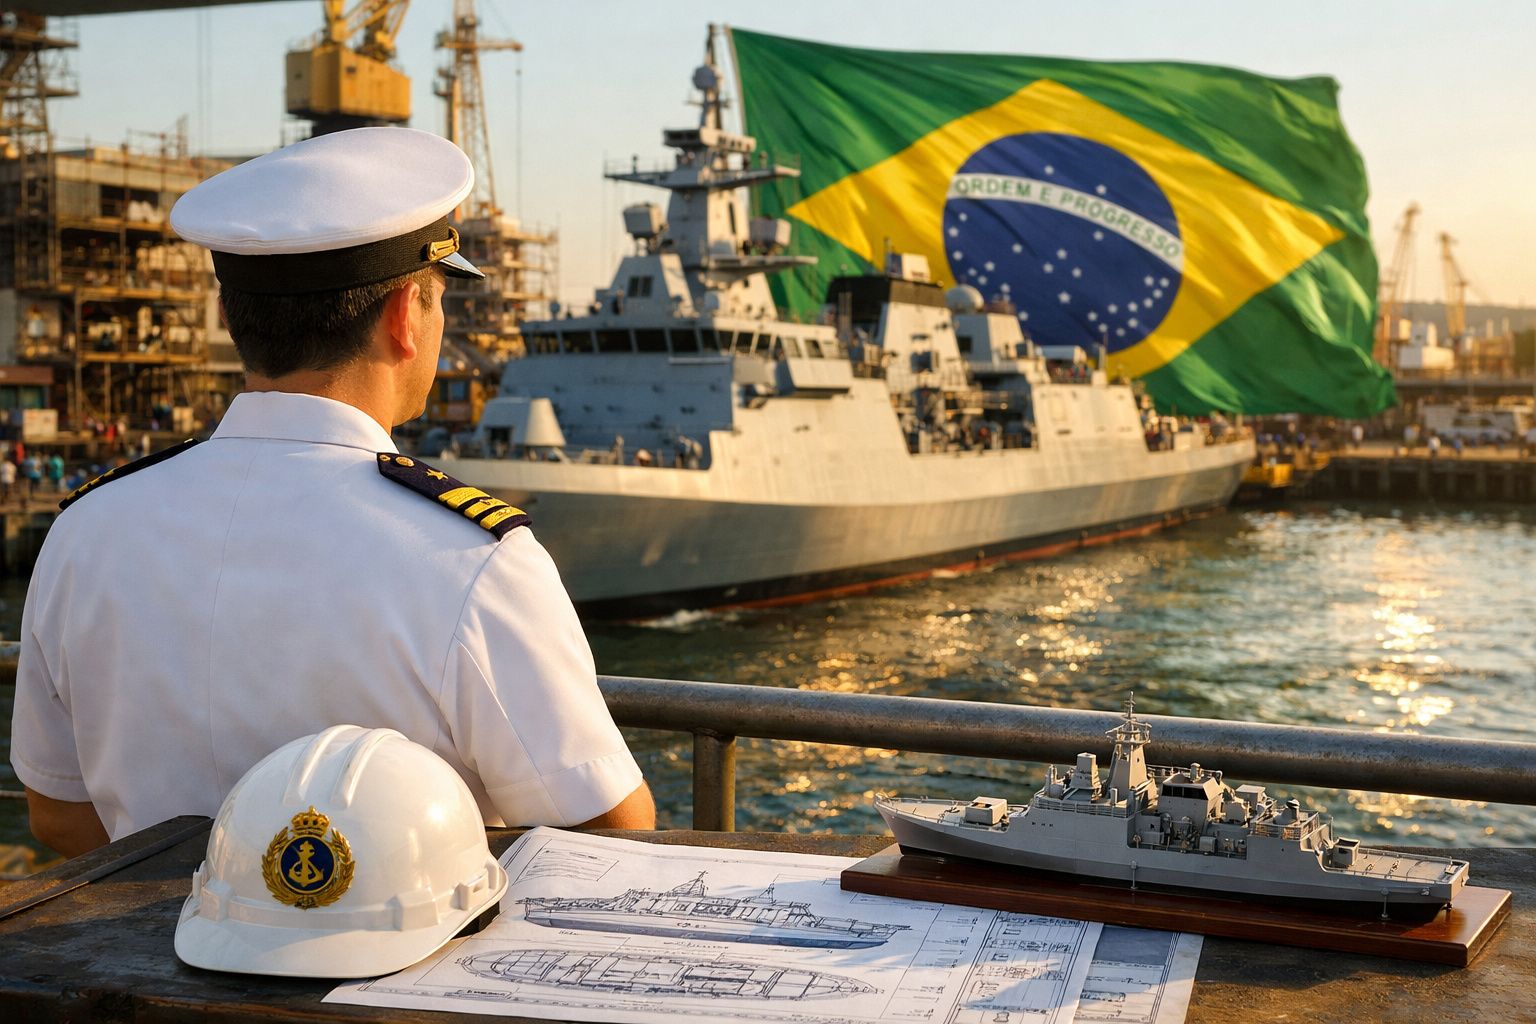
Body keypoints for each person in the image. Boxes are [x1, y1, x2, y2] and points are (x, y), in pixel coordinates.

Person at [11, 127, 653, 858]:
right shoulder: (471, 556)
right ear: (404, 317)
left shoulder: (88, 529)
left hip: (131, 960)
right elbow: (612, 833)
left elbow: (59, 816)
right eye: (438, 301)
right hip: (394, 965)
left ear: (230, 317)